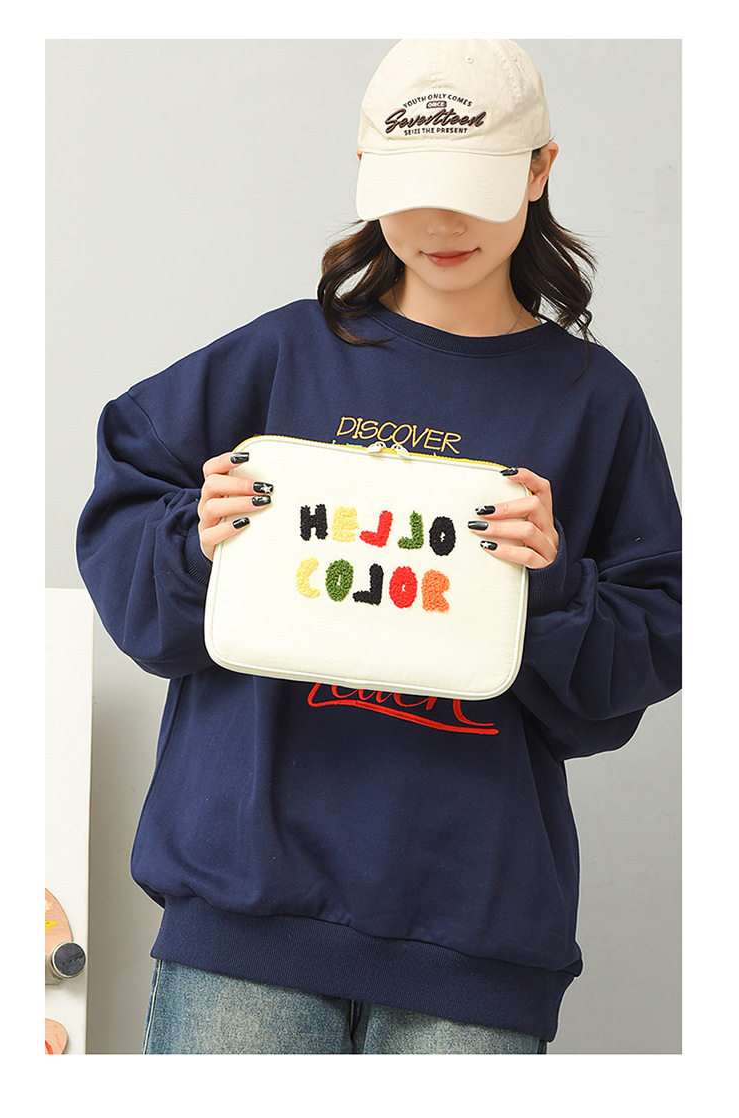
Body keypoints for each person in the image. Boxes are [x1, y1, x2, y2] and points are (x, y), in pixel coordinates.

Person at [76, 39, 681, 1055]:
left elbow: (650, 643)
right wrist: (195, 541)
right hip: (245, 912)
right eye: (413, 189)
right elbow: (128, 532)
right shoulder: (280, 354)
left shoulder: (595, 402)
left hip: (474, 937)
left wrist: (549, 588)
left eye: (473, 188)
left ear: (540, 169)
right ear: (367, 172)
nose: (442, 224)